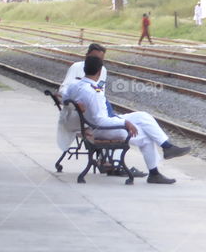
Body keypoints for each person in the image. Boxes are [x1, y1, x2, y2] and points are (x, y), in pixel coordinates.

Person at [62, 56, 190, 184]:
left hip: (99, 123)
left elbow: (64, 99)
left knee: (143, 116)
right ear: (100, 71)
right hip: (102, 129)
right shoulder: (93, 92)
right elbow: (100, 121)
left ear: (85, 69)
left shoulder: (75, 86)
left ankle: (167, 146)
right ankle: (154, 173)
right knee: (146, 137)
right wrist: (124, 123)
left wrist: (75, 105)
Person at [57, 45, 145, 178]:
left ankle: (111, 162)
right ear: (87, 56)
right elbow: (63, 91)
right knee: (134, 131)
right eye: (95, 57)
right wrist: (74, 105)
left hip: (93, 112)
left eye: (101, 58)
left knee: (127, 120)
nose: (99, 60)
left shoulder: (97, 74)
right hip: (85, 119)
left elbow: (98, 94)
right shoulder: (77, 69)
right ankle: (114, 163)